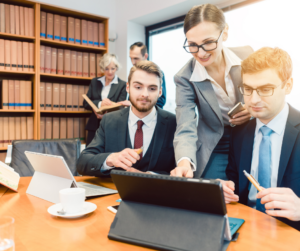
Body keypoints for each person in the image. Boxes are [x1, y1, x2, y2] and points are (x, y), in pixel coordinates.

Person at [220, 47, 300, 231]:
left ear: (288, 86)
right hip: (245, 227)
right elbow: (234, 178)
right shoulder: (239, 132)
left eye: (265, 89)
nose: (253, 100)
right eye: (247, 89)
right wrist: (226, 190)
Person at [171, 4, 253, 179]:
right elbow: (185, 125)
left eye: (208, 42)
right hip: (216, 143)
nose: (201, 53)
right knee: (214, 195)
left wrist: (252, 109)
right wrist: (184, 161)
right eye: (193, 45)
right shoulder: (184, 78)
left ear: (225, 33)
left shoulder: (247, 56)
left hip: (251, 135)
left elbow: (266, 95)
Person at [77, 61, 176, 176]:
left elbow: (181, 170)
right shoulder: (109, 121)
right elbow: (83, 163)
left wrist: (152, 177)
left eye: (152, 88)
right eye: (138, 87)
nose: (145, 94)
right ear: (128, 88)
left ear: (160, 92)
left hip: (158, 193)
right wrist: (110, 159)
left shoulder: (174, 123)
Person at [83, 54, 127, 146]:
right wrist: (99, 104)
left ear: (117, 68)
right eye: (106, 69)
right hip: (94, 125)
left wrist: (106, 113)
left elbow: (121, 108)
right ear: (102, 68)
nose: (110, 72)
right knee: (90, 154)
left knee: (108, 155)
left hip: (112, 126)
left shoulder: (122, 85)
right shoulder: (95, 82)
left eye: (113, 68)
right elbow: (86, 103)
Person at [128, 42, 166, 109]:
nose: (132, 62)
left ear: (145, 56)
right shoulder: (133, 72)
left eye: (136, 58)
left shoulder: (156, 74)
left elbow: (161, 100)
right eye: (131, 58)